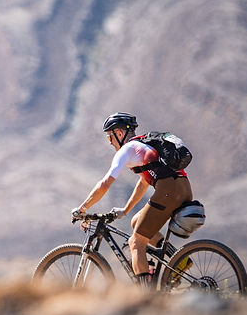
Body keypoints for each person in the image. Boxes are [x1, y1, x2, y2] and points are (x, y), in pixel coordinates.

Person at [71, 112, 193, 287]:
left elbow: (105, 184)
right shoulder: (142, 145)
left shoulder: (127, 150)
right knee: (136, 222)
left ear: (119, 133)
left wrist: (82, 208)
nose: (110, 142)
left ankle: (146, 294)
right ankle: (179, 259)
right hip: (184, 189)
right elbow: (143, 183)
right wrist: (126, 210)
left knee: (135, 243)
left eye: (110, 137)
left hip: (169, 190)